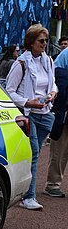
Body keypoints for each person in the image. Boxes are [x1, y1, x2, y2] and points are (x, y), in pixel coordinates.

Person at [5, 24, 57, 210]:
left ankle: (20, 189)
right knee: (34, 153)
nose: (44, 44)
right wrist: (28, 102)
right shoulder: (21, 63)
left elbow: (53, 84)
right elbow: (9, 92)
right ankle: (29, 196)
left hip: (45, 114)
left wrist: (52, 93)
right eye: (40, 40)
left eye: (46, 40)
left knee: (31, 155)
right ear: (31, 42)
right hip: (28, 115)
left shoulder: (48, 61)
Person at [44, 46, 68, 198]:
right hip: (65, 112)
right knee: (60, 150)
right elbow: (57, 79)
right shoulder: (65, 55)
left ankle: (53, 183)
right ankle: (52, 183)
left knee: (61, 150)